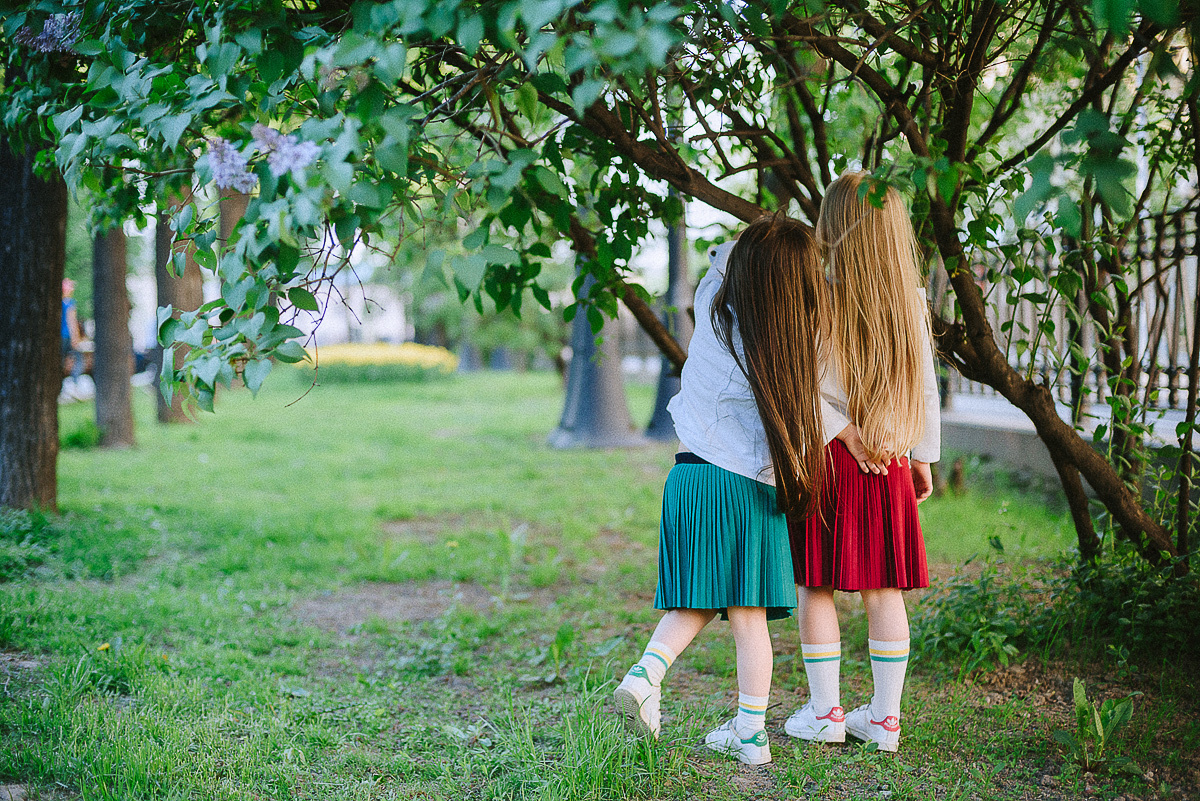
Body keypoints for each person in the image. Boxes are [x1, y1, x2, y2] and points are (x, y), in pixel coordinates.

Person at [613, 215, 840, 766]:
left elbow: (721, 257)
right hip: (746, 488)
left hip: (689, 477)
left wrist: (748, 242)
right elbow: (815, 413)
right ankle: (750, 733)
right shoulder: (795, 344)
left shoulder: (715, 303)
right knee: (748, 618)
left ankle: (645, 675)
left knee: (694, 597)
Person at [783, 172, 940, 754]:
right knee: (885, 590)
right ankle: (885, 721)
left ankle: (826, 714)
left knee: (816, 586)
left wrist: (844, 433)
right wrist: (921, 455)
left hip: (832, 458)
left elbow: (802, 387)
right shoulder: (910, 302)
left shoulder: (816, 297)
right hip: (892, 458)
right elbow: (925, 388)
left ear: (833, 227)